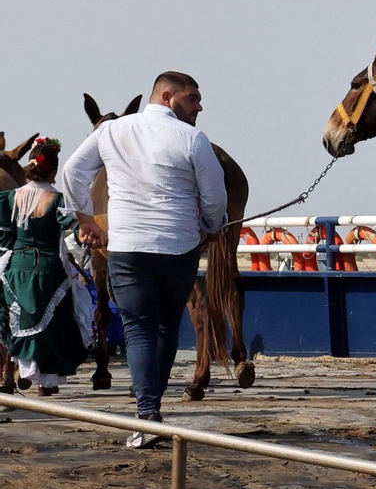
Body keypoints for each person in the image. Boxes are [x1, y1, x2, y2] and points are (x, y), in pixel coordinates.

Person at [61, 72, 228, 447]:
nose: (199, 106)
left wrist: (85, 218)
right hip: (179, 249)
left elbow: (72, 171)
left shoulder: (111, 132)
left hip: (128, 249)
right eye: (192, 99)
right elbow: (216, 198)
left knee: (139, 329)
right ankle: (152, 410)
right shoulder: (193, 139)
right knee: (168, 326)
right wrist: (212, 225)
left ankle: (147, 415)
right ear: (168, 97)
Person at [0, 138, 90, 396]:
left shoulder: (10, 198)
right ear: (53, 172)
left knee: (18, 318)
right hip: (50, 267)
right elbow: (78, 231)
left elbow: (5, 237)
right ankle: (45, 381)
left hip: (18, 266)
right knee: (55, 323)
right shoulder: (57, 200)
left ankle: (22, 369)